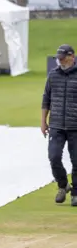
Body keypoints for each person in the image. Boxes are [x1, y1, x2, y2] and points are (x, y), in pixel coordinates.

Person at [42, 44, 77, 206]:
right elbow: (46, 99)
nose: (60, 61)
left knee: (76, 160)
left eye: (63, 58)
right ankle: (63, 185)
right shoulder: (53, 75)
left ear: (72, 56)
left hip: (75, 126)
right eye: (59, 58)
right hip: (56, 125)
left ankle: (75, 193)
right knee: (54, 157)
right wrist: (43, 122)